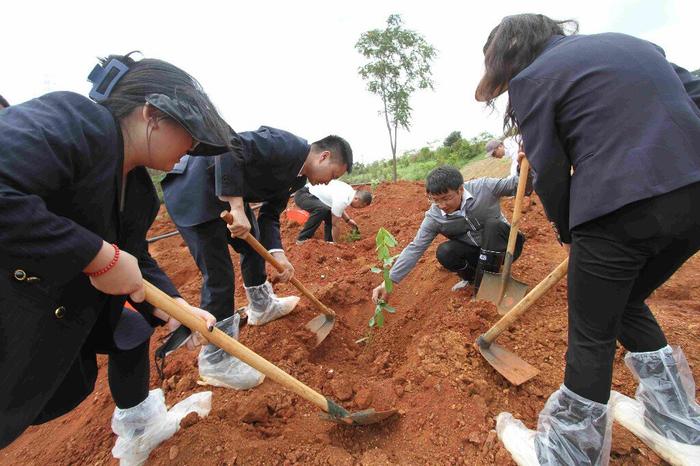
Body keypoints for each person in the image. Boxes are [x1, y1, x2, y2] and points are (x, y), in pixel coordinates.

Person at [476, 14, 700, 465]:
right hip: (695, 194)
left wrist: (570, 231)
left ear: (509, 56)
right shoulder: (633, 43)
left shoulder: (533, 78)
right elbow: (694, 91)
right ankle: (676, 418)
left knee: (591, 332)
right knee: (627, 302)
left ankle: (565, 454)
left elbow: (551, 172)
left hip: (618, 206)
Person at [0, 52, 235, 463]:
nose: (192, 149)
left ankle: (140, 426)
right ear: (152, 115)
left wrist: (175, 304)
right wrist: (95, 256)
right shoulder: (75, 120)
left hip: (61, 313)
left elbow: (135, 256)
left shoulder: (140, 192)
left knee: (129, 331)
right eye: (190, 135)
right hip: (15, 309)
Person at [160, 128, 353, 385]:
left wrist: (278, 254)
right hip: (195, 191)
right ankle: (217, 359)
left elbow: (271, 215)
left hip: (224, 198)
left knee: (253, 245)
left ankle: (262, 307)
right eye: (332, 175)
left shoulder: (296, 179)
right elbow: (227, 144)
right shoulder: (284, 145)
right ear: (323, 156)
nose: (328, 182)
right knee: (219, 275)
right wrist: (237, 207)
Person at [372, 165, 526, 303]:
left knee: (493, 225)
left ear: (460, 189)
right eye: (435, 200)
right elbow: (415, 247)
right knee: (445, 252)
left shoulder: (484, 188)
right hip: (477, 254)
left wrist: (524, 169)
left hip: (507, 247)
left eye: (446, 198)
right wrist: (388, 282)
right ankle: (473, 279)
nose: (442, 205)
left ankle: (487, 289)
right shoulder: (434, 217)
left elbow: (519, 185)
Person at [294, 179, 372, 243]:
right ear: (356, 199)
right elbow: (335, 225)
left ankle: (329, 242)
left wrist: (348, 220)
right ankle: (302, 239)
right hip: (303, 195)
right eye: (361, 205)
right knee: (322, 209)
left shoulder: (348, 191)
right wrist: (337, 244)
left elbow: (337, 209)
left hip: (313, 196)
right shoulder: (343, 199)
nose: (359, 208)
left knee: (328, 212)